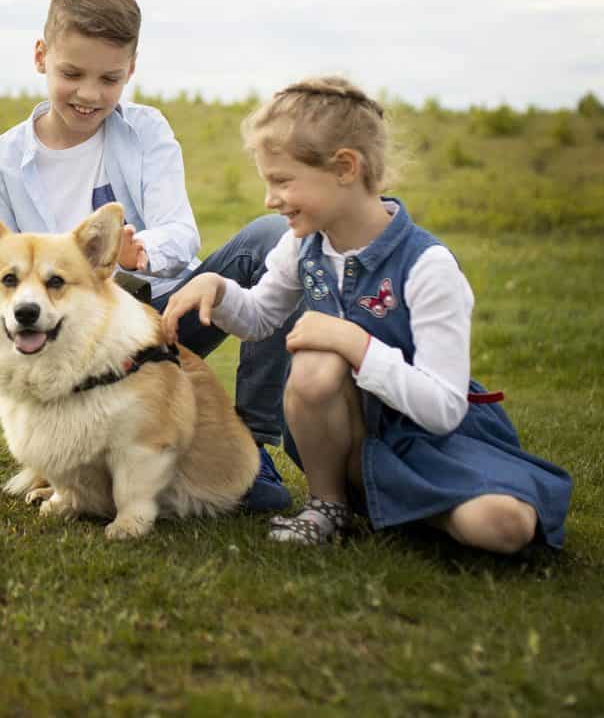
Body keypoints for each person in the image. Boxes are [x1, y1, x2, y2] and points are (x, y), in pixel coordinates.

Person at [161, 77, 573, 551]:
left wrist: (355, 343)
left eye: (282, 181)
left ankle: (401, 505)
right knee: (316, 360)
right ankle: (329, 504)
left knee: (502, 527)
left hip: (434, 442)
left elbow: (443, 409)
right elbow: (259, 318)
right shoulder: (302, 245)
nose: (270, 200)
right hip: (350, 439)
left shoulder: (428, 266)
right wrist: (219, 289)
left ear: (345, 167)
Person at [0, 0, 296, 512]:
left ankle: (251, 442)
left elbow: (180, 231)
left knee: (272, 238)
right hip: (75, 334)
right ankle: (69, 461)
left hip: (165, 314)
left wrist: (137, 253)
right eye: (71, 74)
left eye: (110, 78)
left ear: (131, 69)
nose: (89, 94)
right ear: (41, 56)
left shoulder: (147, 130)